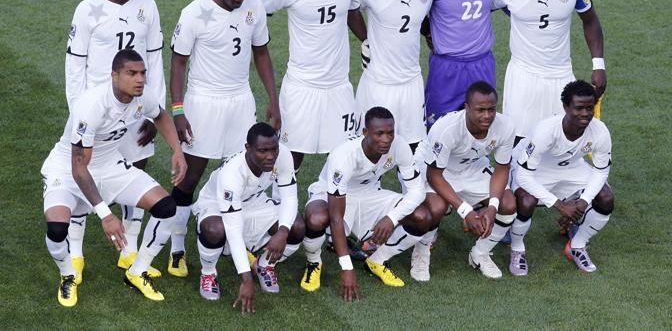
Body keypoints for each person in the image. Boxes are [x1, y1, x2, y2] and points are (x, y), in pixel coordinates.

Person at [41, 50, 186, 306]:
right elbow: (79, 167)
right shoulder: (91, 105)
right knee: (57, 228)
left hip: (111, 166)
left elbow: (160, 115)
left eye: (142, 73)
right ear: (114, 76)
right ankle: (67, 275)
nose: (139, 79)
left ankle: (137, 271)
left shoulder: (142, 96)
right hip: (67, 170)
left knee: (167, 208)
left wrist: (177, 150)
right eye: (132, 73)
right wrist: (106, 215)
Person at [167, 0, 281, 277]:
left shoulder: (254, 7)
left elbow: (261, 52)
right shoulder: (194, 13)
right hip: (203, 102)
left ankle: (236, 242)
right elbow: (178, 63)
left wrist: (274, 100)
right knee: (189, 178)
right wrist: (178, 110)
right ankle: (177, 248)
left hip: (240, 102)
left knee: (241, 173)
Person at [65, 0, 166, 281]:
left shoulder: (148, 6)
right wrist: (79, 117)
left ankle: (129, 251)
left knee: (135, 173)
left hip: (135, 111)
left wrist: (154, 112)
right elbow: (74, 67)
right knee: (84, 178)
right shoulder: (88, 9)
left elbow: (154, 62)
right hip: (96, 114)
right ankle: (75, 255)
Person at [262, 0, 366, 171]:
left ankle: (334, 195)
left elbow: (351, 11)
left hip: (338, 86)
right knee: (292, 155)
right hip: (302, 87)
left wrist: (368, 41)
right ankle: (280, 194)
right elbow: (260, 10)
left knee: (343, 153)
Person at [300, 107, 432, 299]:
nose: (386, 139)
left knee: (422, 217)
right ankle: (313, 262)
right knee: (316, 218)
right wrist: (346, 267)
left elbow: (417, 191)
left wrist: (391, 218)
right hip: (331, 194)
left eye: (390, 132)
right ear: (365, 132)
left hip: (370, 194)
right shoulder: (344, 155)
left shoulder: (399, 145)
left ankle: (378, 260)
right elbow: (336, 217)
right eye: (379, 133)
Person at [495, 0, 607, 139]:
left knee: (563, 138)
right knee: (519, 140)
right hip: (523, 75)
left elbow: (590, 20)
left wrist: (598, 65)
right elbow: (482, 9)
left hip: (561, 74)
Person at [192, 123, 304, 311]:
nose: (270, 156)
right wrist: (246, 279)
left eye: (274, 149)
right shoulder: (231, 173)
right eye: (263, 151)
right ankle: (208, 273)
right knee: (215, 229)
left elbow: (290, 198)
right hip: (216, 204)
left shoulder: (283, 155)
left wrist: (283, 232)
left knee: (297, 226)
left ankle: (264, 265)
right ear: (248, 148)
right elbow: (234, 229)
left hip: (253, 200)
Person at [412, 81, 517, 280]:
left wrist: (492, 207)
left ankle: (480, 253)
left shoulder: (506, 126)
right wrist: (465, 210)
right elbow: (434, 175)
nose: (487, 116)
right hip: (436, 169)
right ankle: (422, 251)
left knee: (508, 204)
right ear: (467, 108)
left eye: (491, 109)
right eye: (480, 110)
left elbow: (502, 168)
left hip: (472, 166)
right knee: (436, 207)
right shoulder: (446, 128)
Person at [509, 80, 613, 275]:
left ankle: (577, 245)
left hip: (571, 167)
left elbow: (601, 171)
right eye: (579, 108)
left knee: (606, 197)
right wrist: (559, 205)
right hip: (534, 170)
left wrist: (583, 201)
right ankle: (517, 248)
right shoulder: (546, 131)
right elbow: (524, 176)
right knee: (526, 200)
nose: (585, 113)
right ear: (566, 107)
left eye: (589, 108)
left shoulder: (600, 131)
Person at [355, 0, 435, 150]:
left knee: (414, 146)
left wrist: (429, 34)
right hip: (378, 84)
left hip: (411, 82)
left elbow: (420, 17)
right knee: (371, 146)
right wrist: (366, 39)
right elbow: (351, 9)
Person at [421, 0, 503, 127]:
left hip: (481, 64)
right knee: (437, 126)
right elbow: (417, 14)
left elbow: (498, 5)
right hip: (446, 67)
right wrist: (428, 33)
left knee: (482, 124)